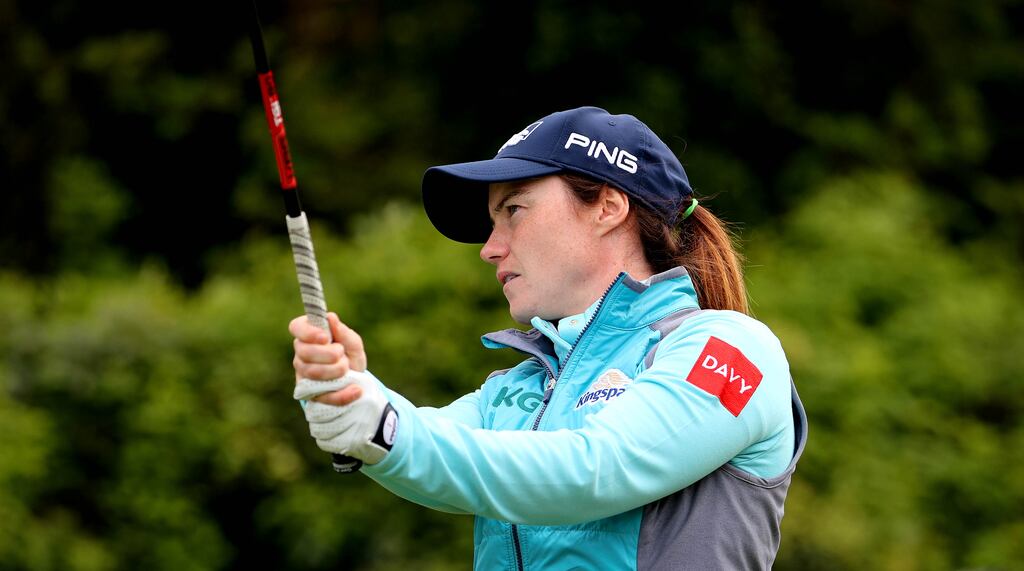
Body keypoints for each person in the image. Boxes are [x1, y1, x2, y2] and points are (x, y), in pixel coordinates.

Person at [289, 106, 808, 570]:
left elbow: (595, 469)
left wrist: (381, 425)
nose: (489, 249)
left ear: (608, 207)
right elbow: (422, 444)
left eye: (513, 210)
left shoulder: (731, 348)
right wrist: (350, 397)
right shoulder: (517, 387)